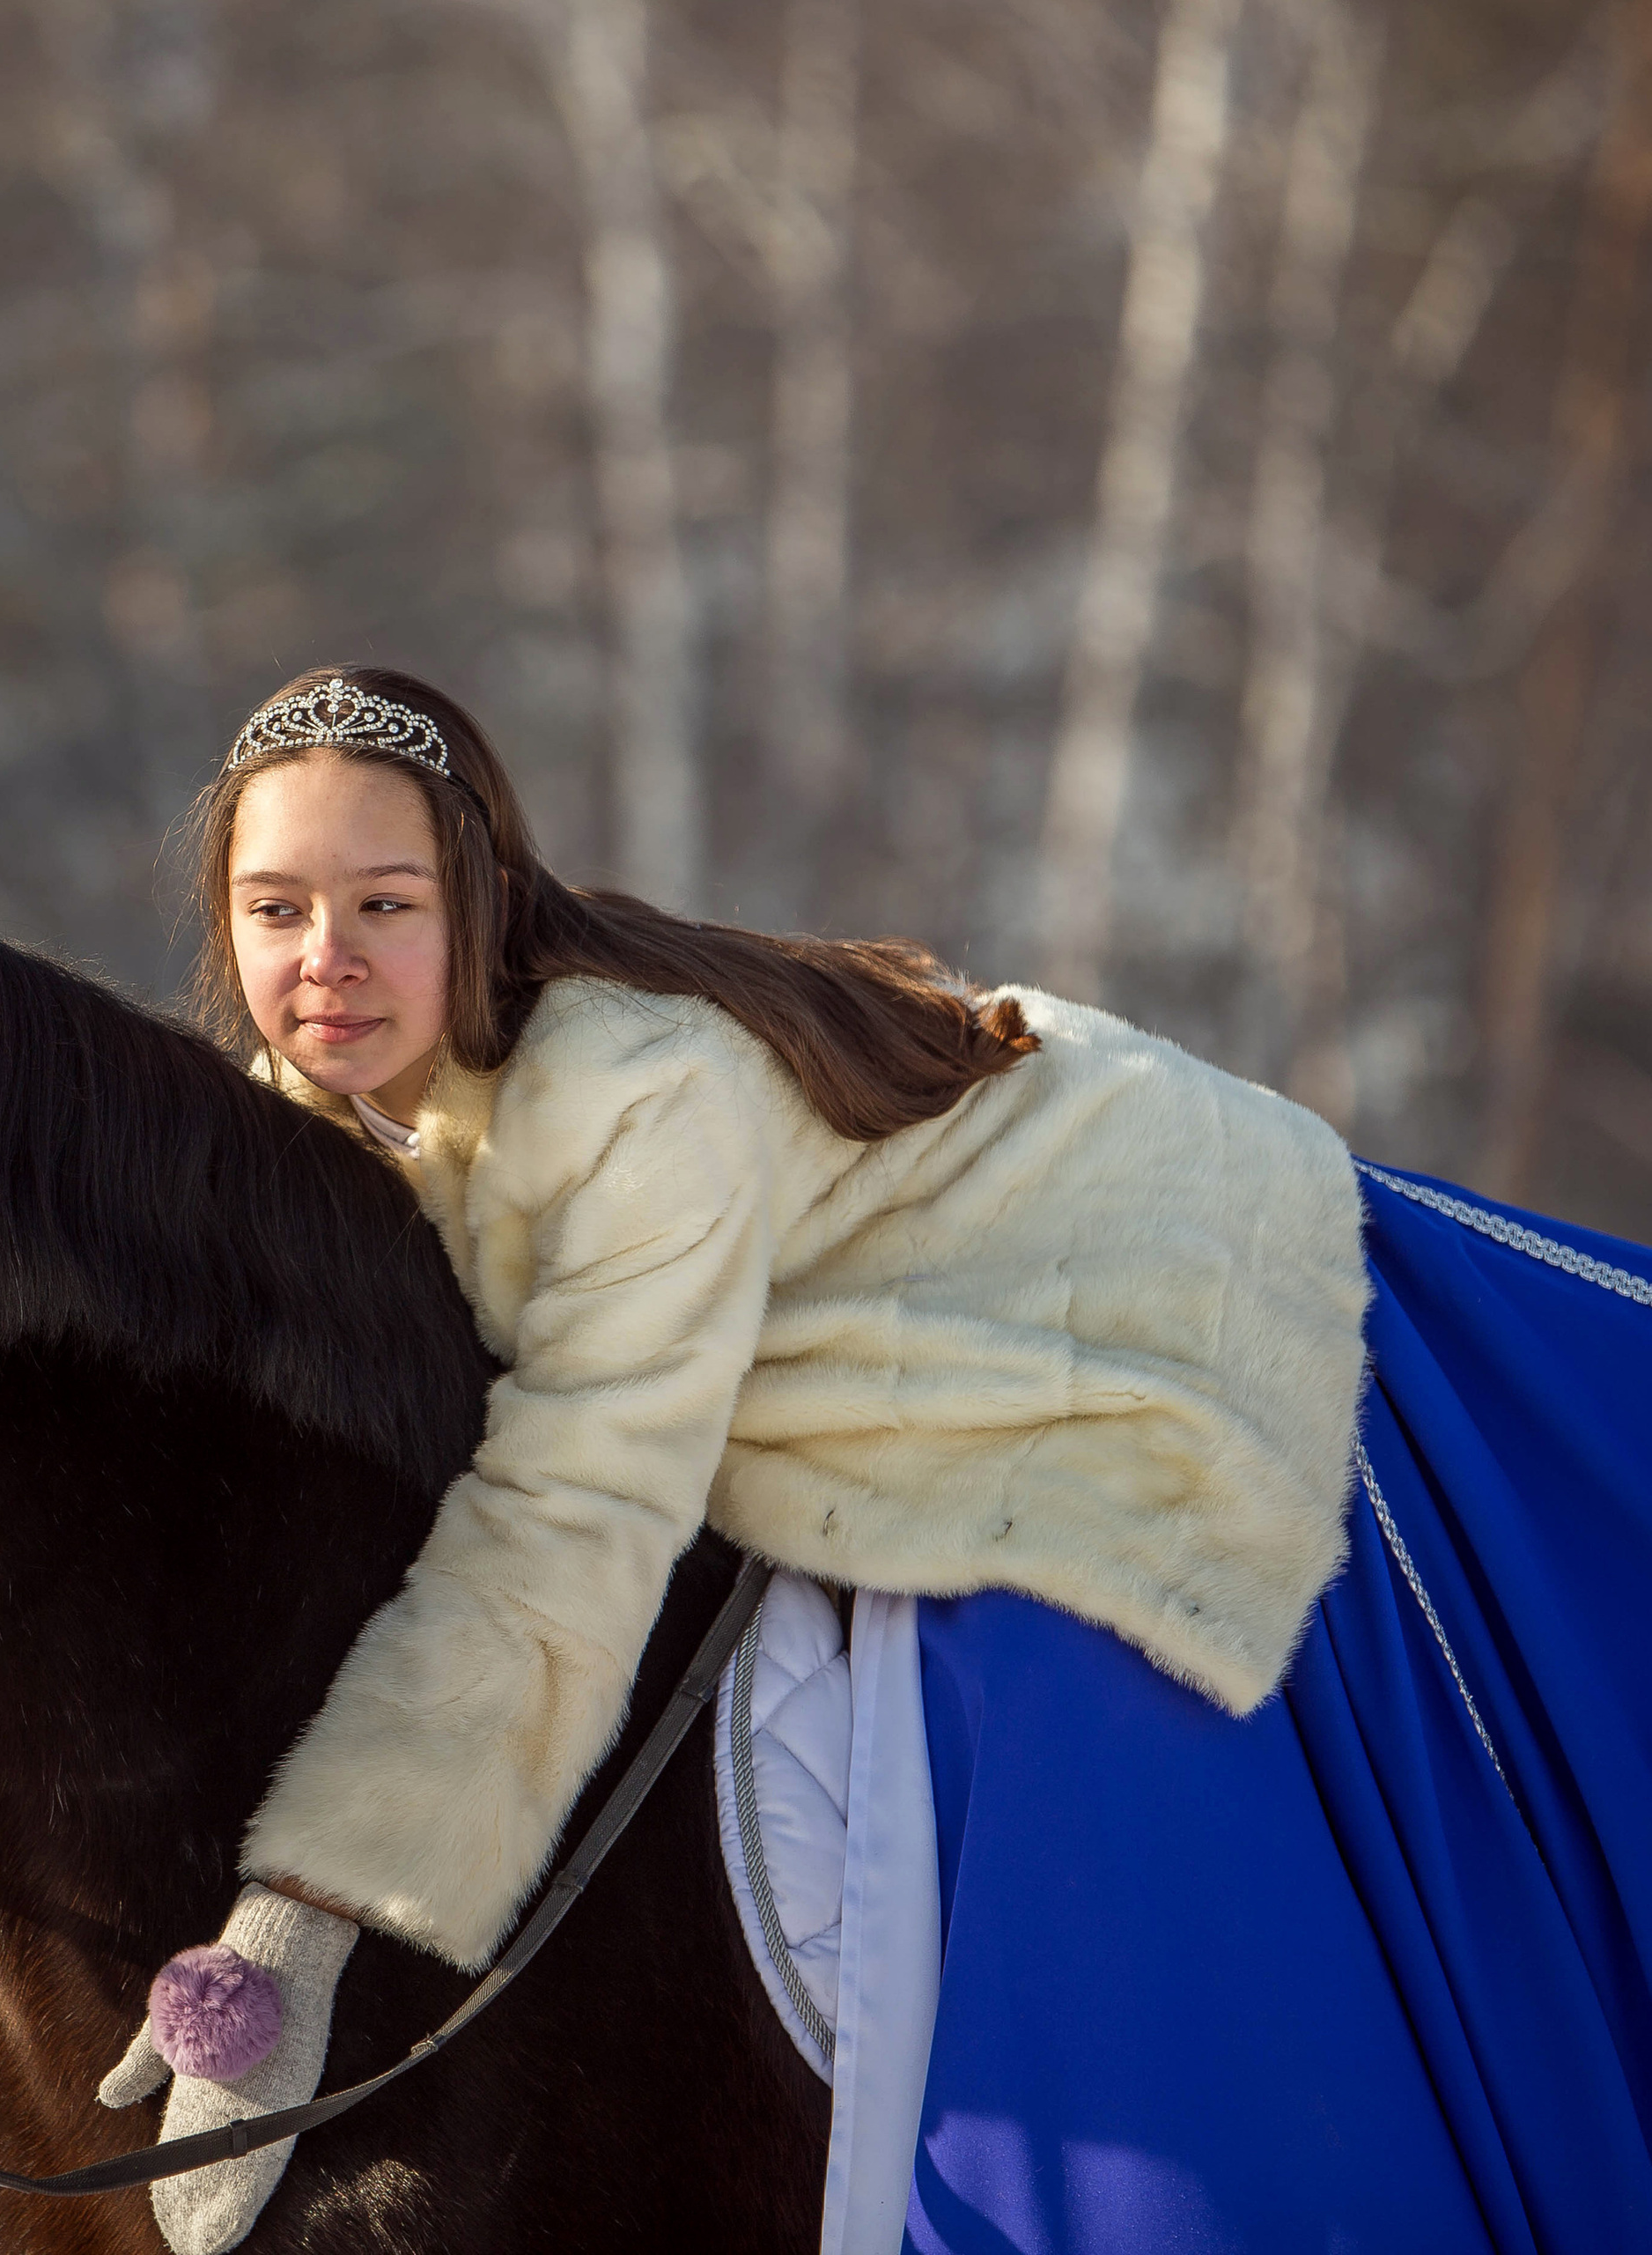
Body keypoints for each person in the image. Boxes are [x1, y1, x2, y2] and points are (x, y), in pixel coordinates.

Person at [98, 667, 1372, 2253]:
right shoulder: (313, 1098)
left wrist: (305, 1914)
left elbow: (576, 1512)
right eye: (274, 909)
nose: (326, 961)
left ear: (480, 905)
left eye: (386, 903)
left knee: (1047, 1706)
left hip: (1119, 1244)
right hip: (841, 1255)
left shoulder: (635, 1096)